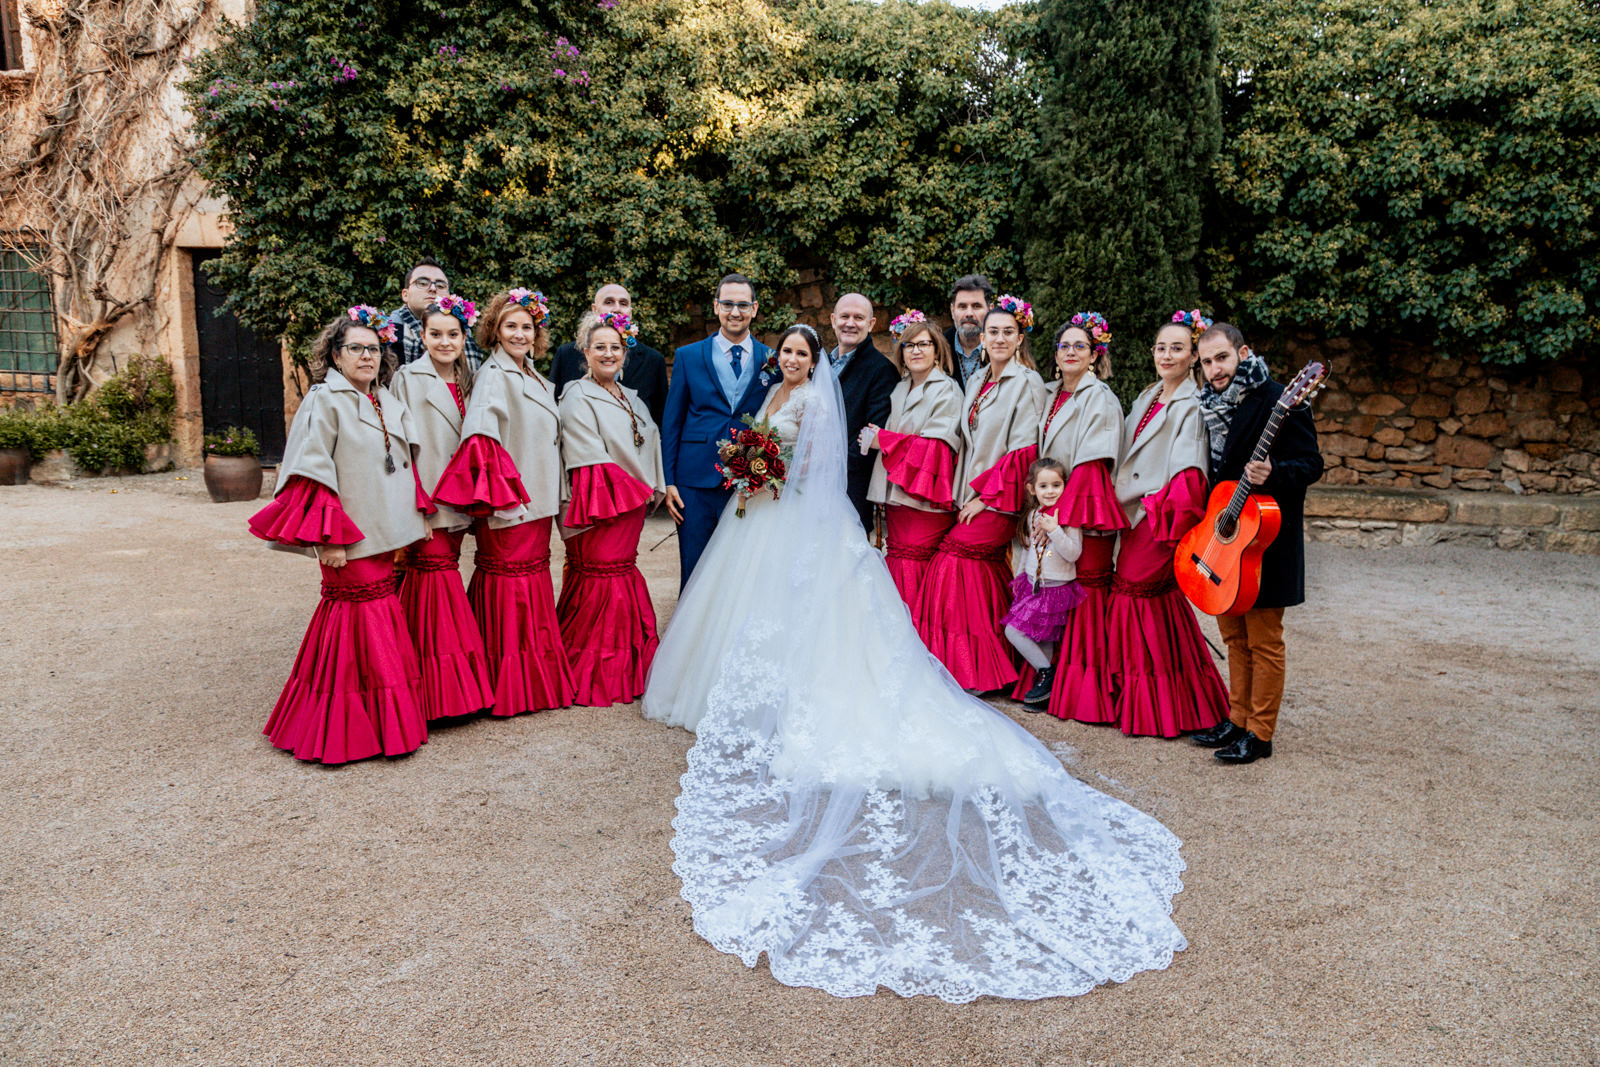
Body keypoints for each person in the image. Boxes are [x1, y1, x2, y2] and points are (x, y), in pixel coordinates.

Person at [640, 340, 1186, 1003]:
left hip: (799, 510)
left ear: (811, 362)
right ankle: (719, 689)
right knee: (742, 606)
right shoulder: (774, 396)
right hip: (759, 509)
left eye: (797, 352)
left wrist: (771, 471)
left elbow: (816, 463)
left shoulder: (815, 398)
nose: (789, 360)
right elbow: (765, 444)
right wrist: (754, 471)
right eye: (782, 351)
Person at [247, 307, 432, 763]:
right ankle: (342, 727)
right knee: (356, 621)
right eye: (356, 348)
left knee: (379, 617)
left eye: (373, 348)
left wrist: (416, 518)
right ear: (335, 354)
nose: (367, 356)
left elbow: (406, 466)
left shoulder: (385, 399)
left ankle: (383, 722)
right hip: (347, 537)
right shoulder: (323, 400)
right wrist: (327, 539)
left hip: (384, 532)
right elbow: (313, 474)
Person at [432, 287, 576, 715]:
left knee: (531, 584)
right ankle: (504, 682)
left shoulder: (532, 374)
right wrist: (496, 492)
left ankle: (534, 680)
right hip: (511, 499)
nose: (519, 333)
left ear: (537, 333)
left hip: (537, 497)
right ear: (495, 330)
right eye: (510, 326)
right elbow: (480, 432)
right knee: (510, 583)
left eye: (526, 327)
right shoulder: (494, 375)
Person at [1188, 321, 1325, 764]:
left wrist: (1275, 473)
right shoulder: (1208, 405)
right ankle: (1238, 719)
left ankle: (1260, 735)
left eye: (1222, 357)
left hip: (1267, 540)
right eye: (1207, 361)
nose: (1215, 368)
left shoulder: (1280, 399)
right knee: (1233, 637)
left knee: (1264, 639)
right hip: (1227, 534)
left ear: (1243, 353)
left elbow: (1311, 464)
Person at [1105, 313, 1229, 737]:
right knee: (1148, 600)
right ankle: (1166, 697)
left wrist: (1156, 514)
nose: (1167, 355)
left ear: (1194, 355)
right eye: (1161, 347)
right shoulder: (1148, 395)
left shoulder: (1192, 404)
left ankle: (1159, 705)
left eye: (1177, 348)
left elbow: (1189, 471)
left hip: (1156, 516)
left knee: (1138, 592)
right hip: (1130, 513)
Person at [915, 295, 1047, 692]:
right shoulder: (976, 379)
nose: (1000, 338)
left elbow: (1024, 451)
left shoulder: (1027, 382)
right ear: (983, 337)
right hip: (971, 493)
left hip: (1000, 498)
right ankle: (1003, 662)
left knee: (953, 562)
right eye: (994, 332)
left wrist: (985, 498)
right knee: (983, 570)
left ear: (1020, 336)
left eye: (1009, 332)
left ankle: (977, 668)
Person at [388, 294, 496, 721]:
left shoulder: (472, 379)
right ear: (422, 336)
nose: (445, 342)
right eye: (436, 334)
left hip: (463, 500)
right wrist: (414, 506)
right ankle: (436, 696)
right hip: (429, 500)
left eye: (453, 334)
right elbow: (401, 448)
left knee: (443, 581)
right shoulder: (407, 380)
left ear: (463, 336)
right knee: (435, 586)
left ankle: (448, 688)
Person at [556, 311, 666, 707]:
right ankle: (592, 672)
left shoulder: (633, 397)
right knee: (600, 574)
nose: (607, 353)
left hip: (630, 500)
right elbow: (585, 451)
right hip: (599, 503)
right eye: (599, 347)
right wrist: (626, 491)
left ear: (625, 353)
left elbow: (650, 441)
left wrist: (654, 485)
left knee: (621, 572)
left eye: (614, 347)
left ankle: (629, 667)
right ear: (585, 352)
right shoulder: (575, 394)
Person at [1030, 313, 1130, 720]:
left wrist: (1056, 519)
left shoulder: (1099, 396)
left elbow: (1091, 465)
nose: (1071, 352)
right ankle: (1053, 677)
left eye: (1080, 346)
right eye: (1064, 346)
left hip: (1083, 513)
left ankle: (1085, 691)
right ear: (1055, 355)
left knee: (1083, 597)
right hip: (1053, 509)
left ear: (1094, 356)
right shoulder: (1050, 393)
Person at [660, 273, 773, 589]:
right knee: (694, 565)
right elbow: (672, 422)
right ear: (716, 307)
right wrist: (668, 480)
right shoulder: (688, 356)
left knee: (741, 568)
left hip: (747, 479)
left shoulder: (771, 360)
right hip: (694, 480)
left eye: (742, 305)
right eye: (727, 304)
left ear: (754, 308)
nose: (734, 312)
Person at [859, 312, 964, 609]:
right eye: (909, 345)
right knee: (898, 561)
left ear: (936, 350)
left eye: (924, 344)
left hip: (923, 499)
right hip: (897, 498)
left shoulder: (947, 390)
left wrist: (884, 440)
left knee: (915, 566)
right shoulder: (901, 387)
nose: (916, 350)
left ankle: (919, 632)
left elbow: (937, 449)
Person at [1002, 458, 1086, 709]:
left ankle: (1046, 675)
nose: (1050, 491)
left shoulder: (1068, 518)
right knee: (1036, 636)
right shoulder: (1032, 515)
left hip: (1055, 589)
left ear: (1065, 486)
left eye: (1056, 485)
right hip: (1032, 584)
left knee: (1018, 632)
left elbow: (1073, 554)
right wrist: (1019, 580)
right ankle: (1046, 686)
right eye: (1044, 486)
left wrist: (1055, 530)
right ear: (1032, 489)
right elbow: (1028, 550)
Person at [827, 292, 899, 532]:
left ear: (871, 324)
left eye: (858, 317)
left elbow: (870, 435)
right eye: (844, 316)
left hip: (850, 488)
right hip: (812, 484)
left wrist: (830, 467)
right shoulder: (820, 363)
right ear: (832, 319)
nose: (850, 323)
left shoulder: (881, 370)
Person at [549, 283, 668, 426]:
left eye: (623, 303)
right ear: (594, 309)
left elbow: (660, 419)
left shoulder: (653, 361)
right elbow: (553, 409)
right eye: (609, 302)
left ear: (630, 312)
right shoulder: (567, 354)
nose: (617, 308)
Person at [389, 256, 485, 371]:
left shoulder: (465, 333)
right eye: (423, 283)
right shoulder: (388, 334)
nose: (433, 289)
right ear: (405, 294)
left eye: (440, 285)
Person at [943, 274, 994, 391]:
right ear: (952, 310)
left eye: (976, 306)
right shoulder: (937, 350)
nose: (969, 313)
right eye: (962, 306)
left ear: (990, 310)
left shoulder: (1001, 349)